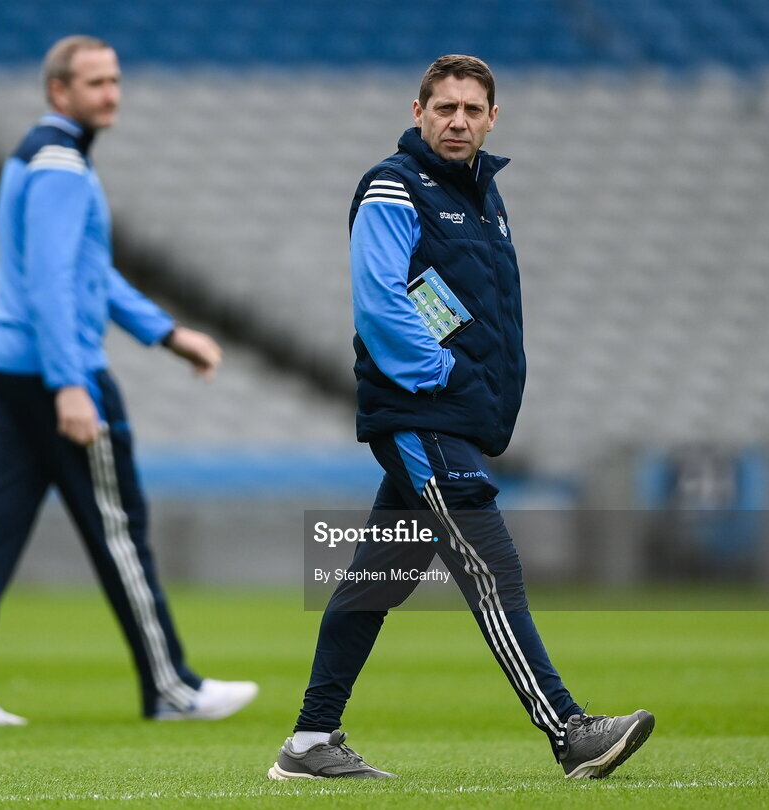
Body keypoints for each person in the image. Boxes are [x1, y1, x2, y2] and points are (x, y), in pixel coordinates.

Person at [268, 55, 653, 780]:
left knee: (374, 584)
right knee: (491, 566)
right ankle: (569, 730)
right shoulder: (393, 186)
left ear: (492, 119)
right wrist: (444, 376)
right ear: (418, 112)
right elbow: (381, 301)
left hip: (455, 414)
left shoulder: (482, 195)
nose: (458, 121)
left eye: (472, 110)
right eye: (444, 108)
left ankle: (311, 742)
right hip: (423, 413)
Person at [0, 35, 257, 726]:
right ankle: (171, 689)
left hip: (9, 366)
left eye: (115, 80)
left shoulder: (43, 156)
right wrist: (70, 384)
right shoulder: (61, 168)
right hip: (54, 375)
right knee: (120, 529)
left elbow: (86, 272)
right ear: (58, 92)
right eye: (96, 82)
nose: (112, 94)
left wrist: (166, 334)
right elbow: (50, 283)